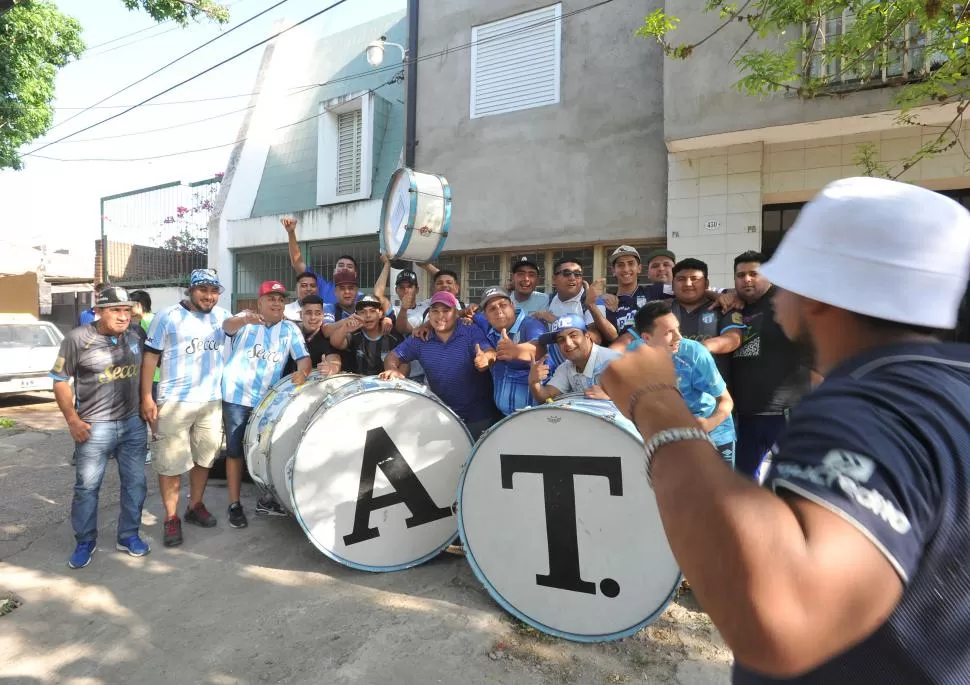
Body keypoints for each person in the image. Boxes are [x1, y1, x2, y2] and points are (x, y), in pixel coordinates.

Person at [599, 177, 970, 682]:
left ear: (817, 293)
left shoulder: (863, 409)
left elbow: (784, 620)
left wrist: (655, 402)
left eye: (785, 278)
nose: (772, 293)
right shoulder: (944, 382)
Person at [51, 286, 149, 569]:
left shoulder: (135, 334)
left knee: (136, 483)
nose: (122, 317)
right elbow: (60, 380)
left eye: (126, 310)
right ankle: (85, 541)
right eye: (115, 310)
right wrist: (73, 420)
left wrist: (146, 400)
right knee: (87, 487)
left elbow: (145, 369)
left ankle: (128, 535)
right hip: (94, 428)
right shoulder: (77, 339)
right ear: (99, 311)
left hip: (133, 424)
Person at [141, 269, 231, 548]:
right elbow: (150, 358)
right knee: (170, 463)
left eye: (214, 290)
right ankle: (171, 517)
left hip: (211, 400)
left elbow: (241, 326)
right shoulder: (167, 317)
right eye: (203, 290)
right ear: (190, 291)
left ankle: (195, 506)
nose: (209, 296)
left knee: (205, 458)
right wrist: (146, 396)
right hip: (174, 402)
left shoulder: (222, 316)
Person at [221, 281, 311, 529]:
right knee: (235, 451)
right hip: (236, 397)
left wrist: (303, 373)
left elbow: (304, 360)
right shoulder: (244, 321)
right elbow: (226, 327)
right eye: (271, 298)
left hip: (268, 401)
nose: (276, 303)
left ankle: (267, 499)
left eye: (281, 299)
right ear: (259, 302)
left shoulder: (290, 329)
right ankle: (234, 504)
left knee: (265, 451)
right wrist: (243, 320)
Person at [730, 251, 815, 478]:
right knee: (744, 484)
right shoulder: (733, 309)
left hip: (785, 414)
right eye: (740, 275)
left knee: (795, 483)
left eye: (753, 274)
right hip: (745, 417)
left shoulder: (786, 305)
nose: (747, 279)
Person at [381, 291, 498, 439]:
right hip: (444, 415)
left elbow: (489, 351)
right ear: (429, 314)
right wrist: (392, 369)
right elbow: (393, 356)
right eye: (435, 311)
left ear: (456, 312)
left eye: (446, 310)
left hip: (479, 417)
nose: (440, 316)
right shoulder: (421, 337)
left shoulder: (470, 330)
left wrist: (486, 359)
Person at [632, 300, 736, 466]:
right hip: (673, 435)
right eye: (669, 332)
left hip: (714, 430)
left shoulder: (695, 353)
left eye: (678, 329)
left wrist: (709, 424)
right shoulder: (634, 355)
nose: (679, 337)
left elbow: (726, 400)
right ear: (646, 338)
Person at [477, 286, 546, 415]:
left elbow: (540, 349)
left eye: (503, 305)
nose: (498, 311)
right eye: (492, 308)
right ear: (485, 315)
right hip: (503, 417)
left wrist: (516, 350)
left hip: (534, 415)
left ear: (513, 306)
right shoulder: (487, 326)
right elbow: (464, 313)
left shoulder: (530, 325)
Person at [528, 313, 621, 403]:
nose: (568, 343)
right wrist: (534, 383)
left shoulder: (614, 361)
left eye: (573, 336)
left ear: (587, 336)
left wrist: (614, 396)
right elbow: (545, 396)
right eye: (561, 340)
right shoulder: (565, 367)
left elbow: (635, 396)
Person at [281, 216, 363, 305]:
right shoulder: (323, 287)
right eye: (341, 265)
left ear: (355, 274)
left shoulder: (361, 297)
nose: (344, 268)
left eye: (349, 266)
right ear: (334, 272)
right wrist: (291, 232)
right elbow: (298, 263)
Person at [533, 258, 617, 343]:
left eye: (577, 274)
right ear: (554, 279)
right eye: (566, 273)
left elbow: (595, 338)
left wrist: (556, 321)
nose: (572, 278)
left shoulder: (592, 301)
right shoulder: (548, 299)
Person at [602, 245, 673, 334]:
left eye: (631, 263)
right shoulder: (607, 301)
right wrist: (600, 297)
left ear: (639, 268)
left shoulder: (654, 291)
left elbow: (681, 288)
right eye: (620, 265)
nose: (626, 269)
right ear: (613, 271)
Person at [329, 294, 404, 376]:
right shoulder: (355, 334)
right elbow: (335, 343)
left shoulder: (392, 334)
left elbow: (405, 362)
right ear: (356, 315)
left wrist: (396, 378)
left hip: (387, 384)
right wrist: (345, 328)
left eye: (372, 311)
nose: (368, 315)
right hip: (359, 385)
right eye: (362, 312)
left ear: (380, 313)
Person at [281, 294, 342, 377]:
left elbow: (334, 359)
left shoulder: (326, 335)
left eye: (318, 313)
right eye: (308, 313)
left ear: (323, 315)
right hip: (283, 383)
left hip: (312, 385)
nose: (313, 317)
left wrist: (330, 368)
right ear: (300, 315)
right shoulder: (290, 330)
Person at [129, 289, 158, 465]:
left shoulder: (145, 322)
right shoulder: (156, 318)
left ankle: (151, 448)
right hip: (156, 376)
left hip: (151, 376)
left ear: (138, 305)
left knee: (149, 414)